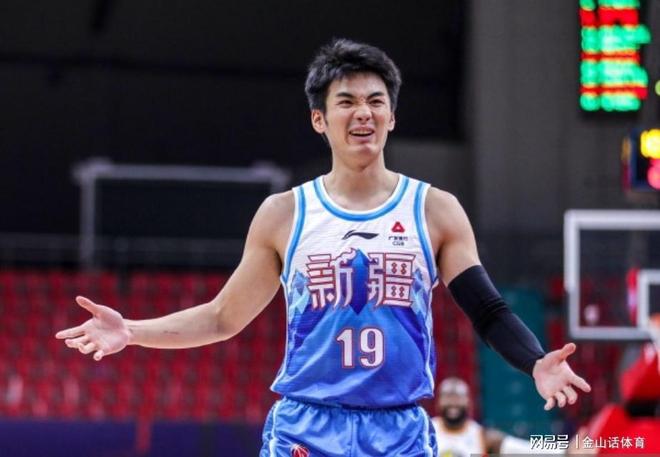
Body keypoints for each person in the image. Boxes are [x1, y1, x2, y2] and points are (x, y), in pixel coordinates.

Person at [56, 38, 591, 456]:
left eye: (376, 101)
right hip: (307, 427)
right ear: (320, 119)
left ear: (392, 116)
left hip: (398, 429)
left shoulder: (434, 210)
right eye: (347, 102)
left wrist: (536, 362)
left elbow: (488, 309)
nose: (364, 113)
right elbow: (222, 318)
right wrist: (132, 331)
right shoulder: (284, 214)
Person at [432, 377, 592, 457]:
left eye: (458, 397)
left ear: (468, 402)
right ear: (438, 402)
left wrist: (565, 451)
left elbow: (525, 448)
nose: (453, 402)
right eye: (447, 397)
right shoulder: (425, 431)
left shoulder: (483, 436)